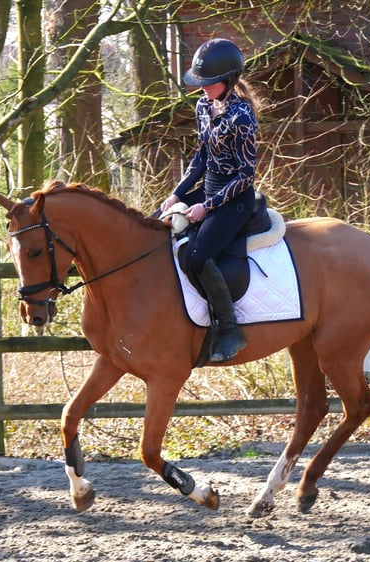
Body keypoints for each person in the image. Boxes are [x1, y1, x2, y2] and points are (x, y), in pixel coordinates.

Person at [160, 38, 260, 363]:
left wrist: (207, 206)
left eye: (208, 83)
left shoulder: (242, 117)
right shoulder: (204, 107)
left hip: (235, 198)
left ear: (229, 80)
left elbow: (246, 175)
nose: (202, 89)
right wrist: (178, 192)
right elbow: (201, 157)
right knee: (154, 226)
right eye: (200, 83)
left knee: (198, 256)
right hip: (207, 188)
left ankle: (229, 328)